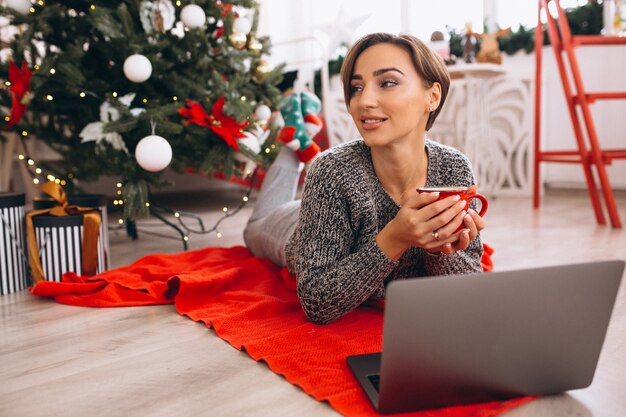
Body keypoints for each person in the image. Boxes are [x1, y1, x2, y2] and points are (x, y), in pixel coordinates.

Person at [244, 33, 486, 325]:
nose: (363, 101)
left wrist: (439, 247)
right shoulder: (331, 171)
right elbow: (318, 303)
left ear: (432, 96)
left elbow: (468, 287)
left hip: (328, 211)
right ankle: (291, 145)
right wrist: (396, 236)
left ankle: (297, 142)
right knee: (255, 227)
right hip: (289, 229)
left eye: (387, 83)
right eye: (356, 88)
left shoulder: (453, 168)